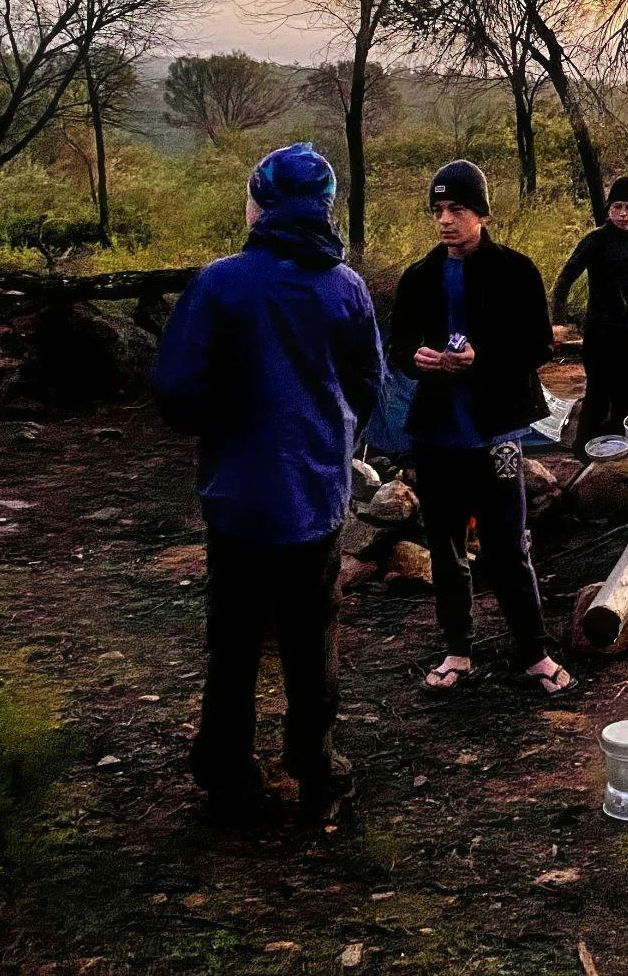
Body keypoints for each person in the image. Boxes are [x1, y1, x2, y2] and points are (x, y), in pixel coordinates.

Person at [154, 143, 382, 827]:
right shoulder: (345, 289)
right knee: (313, 638)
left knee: (234, 638)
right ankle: (317, 769)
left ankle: (227, 772)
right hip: (314, 493)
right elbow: (368, 386)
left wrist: (224, 420)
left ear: (261, 205)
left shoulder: (221, 284)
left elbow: (175, 391)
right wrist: (332, 438)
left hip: (239, 494)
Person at [388, 159, 579, 698]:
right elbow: (399, 345)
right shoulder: (419, 276)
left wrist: (482, 358)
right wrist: (417, 359)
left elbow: (538, 346)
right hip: (436, 435)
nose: (446, 220)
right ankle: (458, 649)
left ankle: (535, 653)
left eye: (457, 209)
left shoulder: (515, 271)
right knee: (445, 548)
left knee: (508, 546)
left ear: (482, 214)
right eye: (438, 210)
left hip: (495, 434)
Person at [550, 177, 628, 455]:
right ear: (609, 209)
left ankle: (619, 454)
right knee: (598, 397)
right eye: (617, 206)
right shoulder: (595, 241)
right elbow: (563, 282)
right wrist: (558, 321)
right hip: (599, 335)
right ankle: (583, 453)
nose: (622, 213)